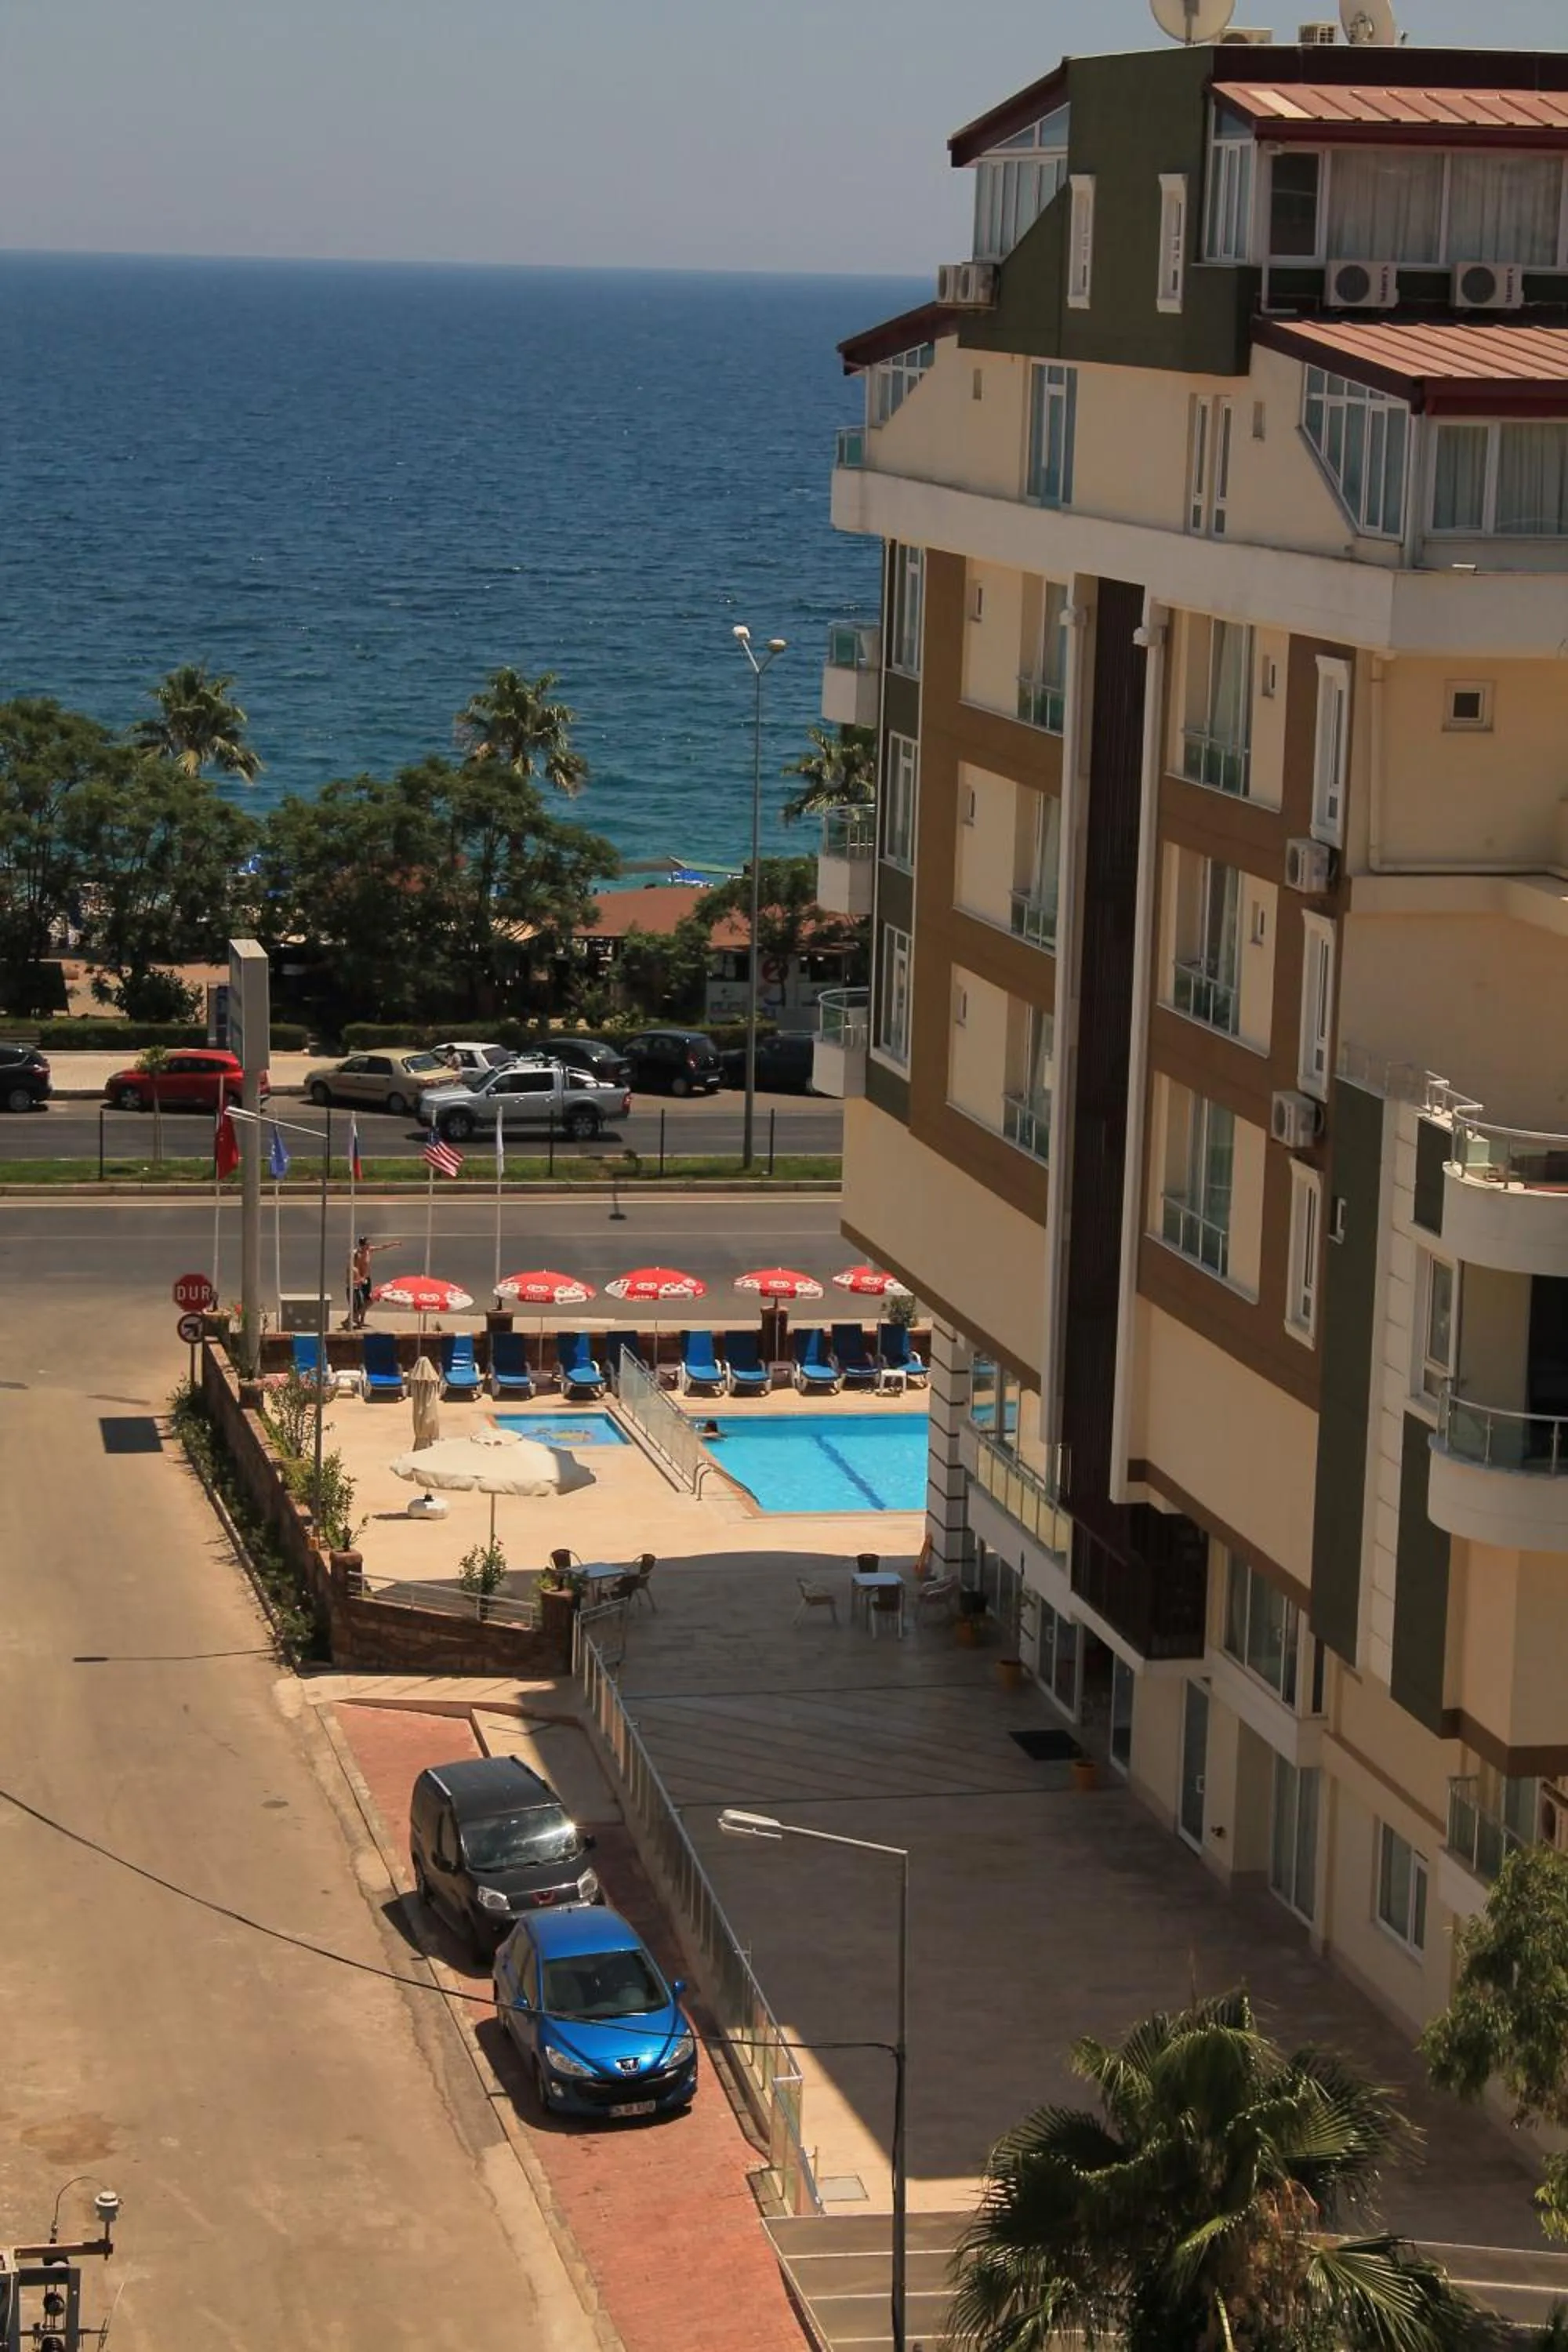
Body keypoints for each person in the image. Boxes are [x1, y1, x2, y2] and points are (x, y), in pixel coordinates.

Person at [347, 1235, 394, 1329]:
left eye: (369, 1243)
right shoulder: (357, 1254)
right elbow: (353, 1267)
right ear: (362, 1245)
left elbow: (382, 1247)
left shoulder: (369, 1250)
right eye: (367, 1244)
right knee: (361, 1301)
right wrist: (358, 1279)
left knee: (367, 1300)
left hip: (367, 1279)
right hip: (360, 1279)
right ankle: (354, 1317)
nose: (369, 1245)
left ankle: (361, 1320)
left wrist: (393, 1244)